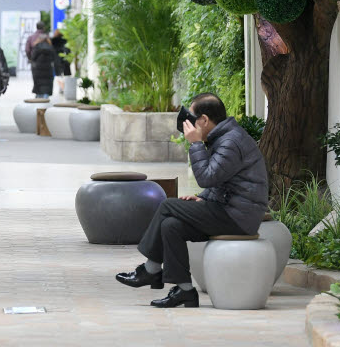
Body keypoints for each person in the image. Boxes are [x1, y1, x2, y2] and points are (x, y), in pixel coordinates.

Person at [115, 93, 268, 308]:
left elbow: (206, 178)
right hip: (230, 210)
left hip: (239, 217)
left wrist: (195, 144)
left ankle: (150, 270)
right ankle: (185, 290)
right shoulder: (225, 137)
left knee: (168, 205)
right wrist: (202, 197)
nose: (187, 125)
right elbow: (224, 180)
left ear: (204, 120)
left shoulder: (231, 142)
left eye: (191, 119)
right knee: (171, 225)